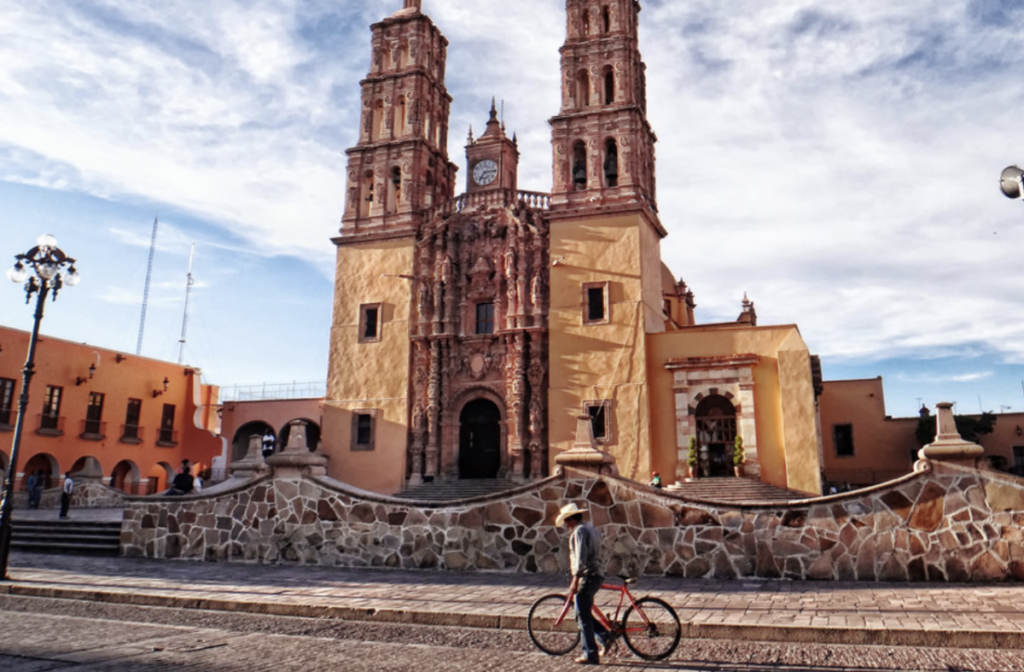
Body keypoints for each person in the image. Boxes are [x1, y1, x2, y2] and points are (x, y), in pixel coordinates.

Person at [556, 502, 609, 665]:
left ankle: (590, 654)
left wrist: (575, 579)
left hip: (588, 575)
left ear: (572, 519)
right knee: (584, 611)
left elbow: (580, 558)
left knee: (582, 615)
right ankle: (604, 636)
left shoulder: (579, 532)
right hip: (597, 573)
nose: (565, 525)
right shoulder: (591, 529)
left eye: (566, 520)